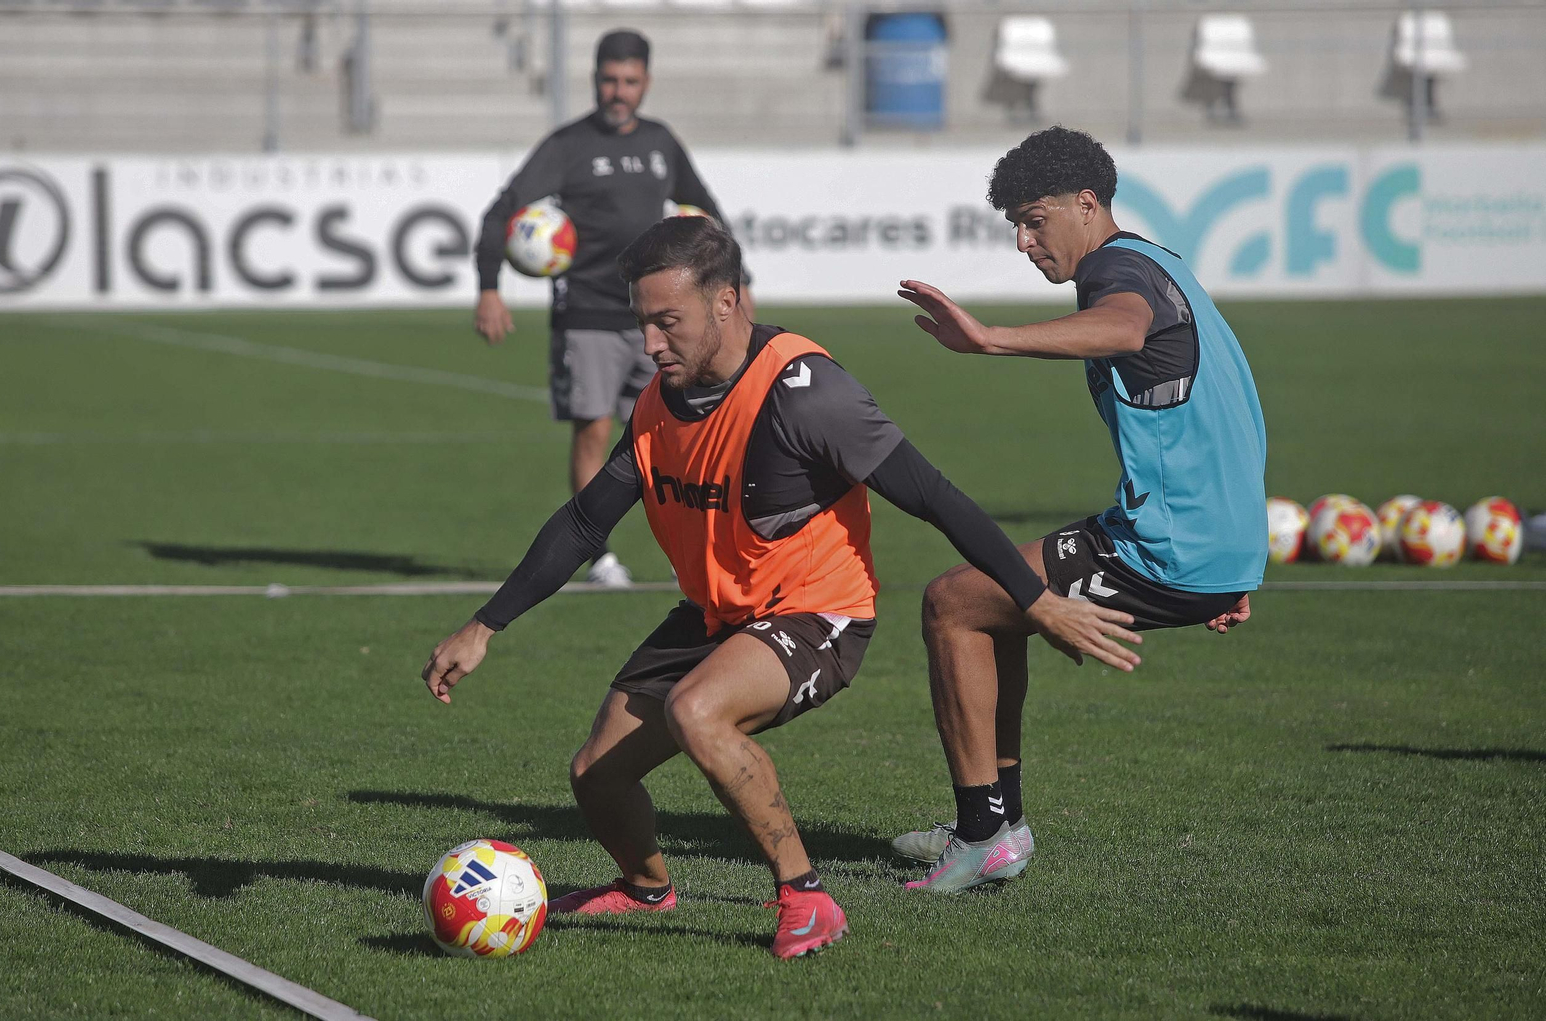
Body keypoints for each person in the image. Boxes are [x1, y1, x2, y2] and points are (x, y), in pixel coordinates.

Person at [422, 217, 1135, 959]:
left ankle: (807, 895)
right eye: (642, 324)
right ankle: (644, 888)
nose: (651, 344)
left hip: (816, 613)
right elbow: (582, 524)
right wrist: (486, 624)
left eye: (668, 322)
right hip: (715, 612)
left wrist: (1034, 597)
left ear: (727, 301)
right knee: (596, 774)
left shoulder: (805, 391)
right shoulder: (659, 402)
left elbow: (934, 496)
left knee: (698, 712)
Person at [891, 125, 1267, 892]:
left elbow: (1125, 326)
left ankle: (981, 835)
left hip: (1167, 546)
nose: (1025, 243)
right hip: (1208, 541)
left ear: (1087, 205)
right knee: (997, 597)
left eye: (1036, 221)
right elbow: (1224, 406)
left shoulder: (1118, 273)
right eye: (1016, 227)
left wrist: (990, 338)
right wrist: (1233, 554)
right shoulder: (1165, 263)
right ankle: (1001, 824)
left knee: (951, 604)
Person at [471, 29, 743, 588]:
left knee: (683, 430)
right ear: (596, 80)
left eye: (630, 82)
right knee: (594, 432)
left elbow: (707, 212)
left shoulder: (661, 142)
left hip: (660, 320)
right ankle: (600, 557)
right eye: (609, 80)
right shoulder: (567, 145)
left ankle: (692, 549)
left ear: (645, 82)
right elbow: (501, 211)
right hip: (588, 314)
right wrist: (489, 287)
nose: (618, 92)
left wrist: (738, 283)